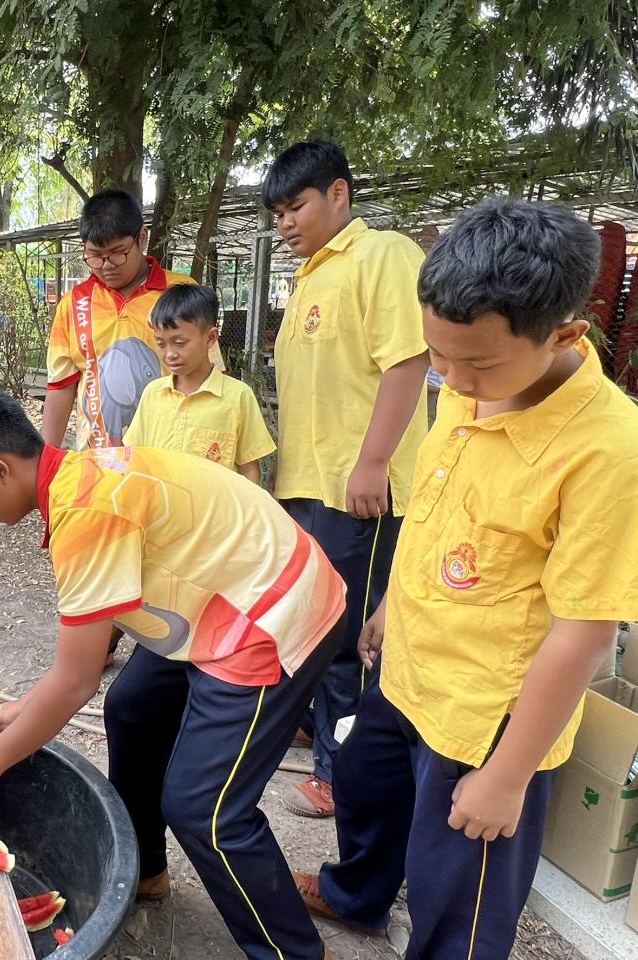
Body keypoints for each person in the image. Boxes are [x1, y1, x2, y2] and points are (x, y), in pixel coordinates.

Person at [292, 198, 638, 957]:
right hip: (410, 669)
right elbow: (443, 505)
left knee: (459, 893)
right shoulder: (469, 386)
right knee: (364, 790)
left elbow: (585, 635)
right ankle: (357, 898)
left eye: (474, 363)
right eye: (437, 358)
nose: (448, 380)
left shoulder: (606, 451)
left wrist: (508, 776)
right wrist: (388, 603)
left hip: (489, 718)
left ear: (564, 335)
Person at [0, 388, 347, 960]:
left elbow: (75, 682)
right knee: (132, 707)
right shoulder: (80, 470)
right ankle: (144, 870)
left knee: (205, 810)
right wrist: (29, 705)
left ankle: (295, 952)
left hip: (271, 614)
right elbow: (101, 622)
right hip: (219, 594)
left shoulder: (85, 510)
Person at [263, 140, 431, 818]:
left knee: (349, 632)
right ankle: (320, 727)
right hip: (309, 484)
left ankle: (340, 772)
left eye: (295, 206)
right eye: (276, 212)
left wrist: (372, 462)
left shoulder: (381, 255)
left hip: (357, 488)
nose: (284, 224)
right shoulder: (309, 276)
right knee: (317, 619)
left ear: (339, 194)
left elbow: (408, 361)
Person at [42, 188, 225, 451]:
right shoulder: (74, 303)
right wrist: (45, 462)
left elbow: (212, 378)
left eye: (118, 253)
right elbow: (60, 386)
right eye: (95, 256)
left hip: (170, 458)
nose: (106, 265)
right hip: (99, 460)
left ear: (142, 237)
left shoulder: (180, 293)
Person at [124, 284, 275, 484]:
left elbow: (249, 469)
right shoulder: (153, 394)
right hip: (161, 510)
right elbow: (135, 455)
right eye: (161, 343)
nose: (170, 354)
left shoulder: (238, 396)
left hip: (215, 513)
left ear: (211, 337)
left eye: (180, 343)